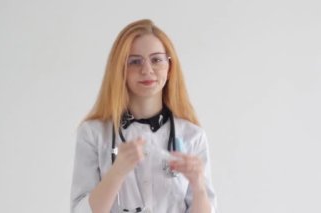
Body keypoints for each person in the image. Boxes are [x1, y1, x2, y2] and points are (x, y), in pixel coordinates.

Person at [70, 19, 217, 213]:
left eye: (156, 59)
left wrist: (198, 186)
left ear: (169, 66)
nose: (147, 70)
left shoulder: (192, 136)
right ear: (119, 69)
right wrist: (117, 172)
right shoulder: (93, 133)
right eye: (135, 61)